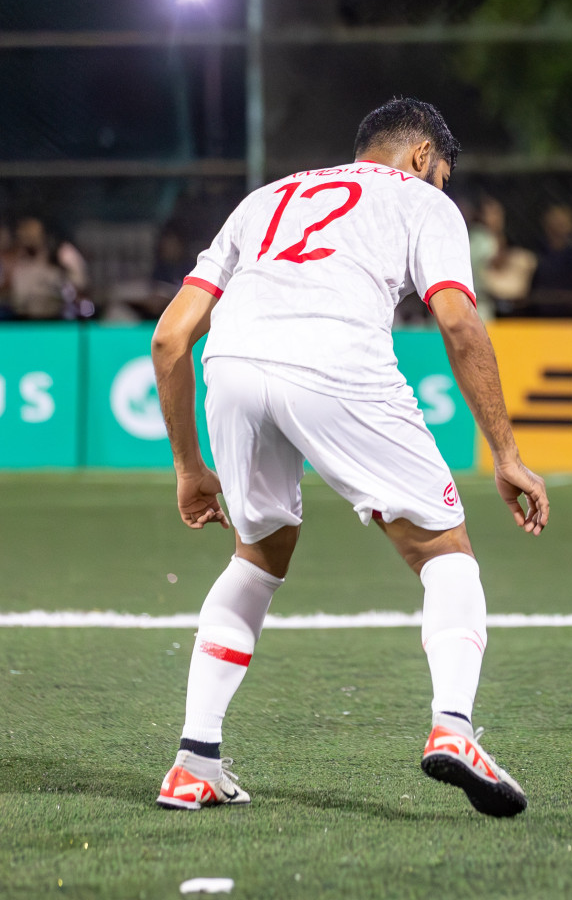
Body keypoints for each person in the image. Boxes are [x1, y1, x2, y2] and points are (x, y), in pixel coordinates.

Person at [149, 98, 550, 817]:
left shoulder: (264, 198)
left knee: (257, 555)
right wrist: (507, 452)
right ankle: (454, 728)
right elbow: (458, 321)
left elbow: (171, 340)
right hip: (337, 362)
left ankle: (193, 759)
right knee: (444, 552)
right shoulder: (424, 205)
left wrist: (188, 468)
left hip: (234, 365)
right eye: (443, 176)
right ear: (424, 158)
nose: (442, 190)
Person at [527, 203, 572, 317]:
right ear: (547, 225)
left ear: (571, 225)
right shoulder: (538, 252)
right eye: (555, 221)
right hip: (541, 312)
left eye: (563, 222)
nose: (559, 225)